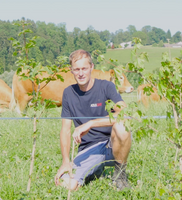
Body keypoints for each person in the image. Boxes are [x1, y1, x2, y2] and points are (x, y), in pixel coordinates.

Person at [54, 49, 131, 191]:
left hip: (111, 144)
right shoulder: (69, 93)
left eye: (84, 68)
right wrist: (66, 161)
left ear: (92, 67)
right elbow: (65, 129)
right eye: (77, 69)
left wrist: (90, 124)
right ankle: (95, 170)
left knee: (122, 126)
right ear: (71, 70)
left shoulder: (106, 86)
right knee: (67, 185)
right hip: (89, 148)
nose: (81, 73)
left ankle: (120, 175)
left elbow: (124, 112)